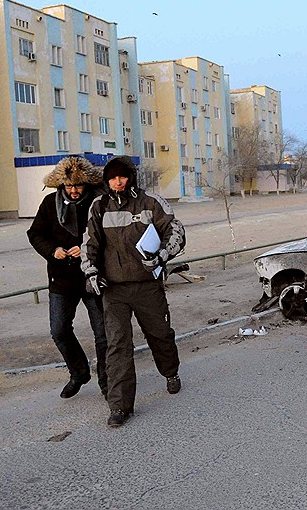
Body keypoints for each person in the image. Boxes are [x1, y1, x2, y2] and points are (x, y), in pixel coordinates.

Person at [81, 156, 186, 428]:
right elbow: (89, 244)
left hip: (147, 286)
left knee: (160, 335)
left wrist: (162, 256)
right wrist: (91, 272)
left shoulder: (150, 203)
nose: (118, 181)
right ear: (107, 179)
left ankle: (171, 372)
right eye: (113, 177)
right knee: (117, 345)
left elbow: (176, 232)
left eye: (123, 176)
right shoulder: (99, 206)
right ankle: (120, 406)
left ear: (131, 177)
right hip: (113, 289)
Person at [27, 155, 108, 400]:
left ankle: (107, 380)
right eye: (69, 186)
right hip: (61, 279)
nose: (73, 190)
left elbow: (110, 236)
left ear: (87, 184)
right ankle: (79, 373)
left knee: (103, 333)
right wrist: (53, 250)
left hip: (93, 277)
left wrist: (85, 248)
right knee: (59, 330)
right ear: (61, 185)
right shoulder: (50, 203)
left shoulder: (99, 203)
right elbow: (35, 234)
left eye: (78, 185)